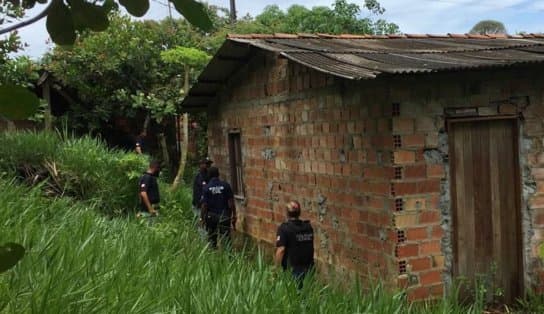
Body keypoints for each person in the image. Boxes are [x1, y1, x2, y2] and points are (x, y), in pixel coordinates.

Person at [275, 201, 315, 288]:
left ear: (287, 213)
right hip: (309, 268)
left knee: (294, 297)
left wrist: (277, 268)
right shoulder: (308, 227)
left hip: (293, 270)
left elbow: (281, 250)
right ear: (299, 212)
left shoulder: (284, 228)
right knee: (308, 295)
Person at [201, 167, 236, 249]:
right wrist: (234, 215)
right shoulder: (226, 185)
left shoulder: (207, 188)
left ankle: (214, 257)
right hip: (224, 216)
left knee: (212, 239)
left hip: (211, 217)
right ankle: (228, 258)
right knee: (226, 239)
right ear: (218, 174)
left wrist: (202, 218)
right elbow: (231, 203)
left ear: (209, 175)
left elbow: (204, 205)